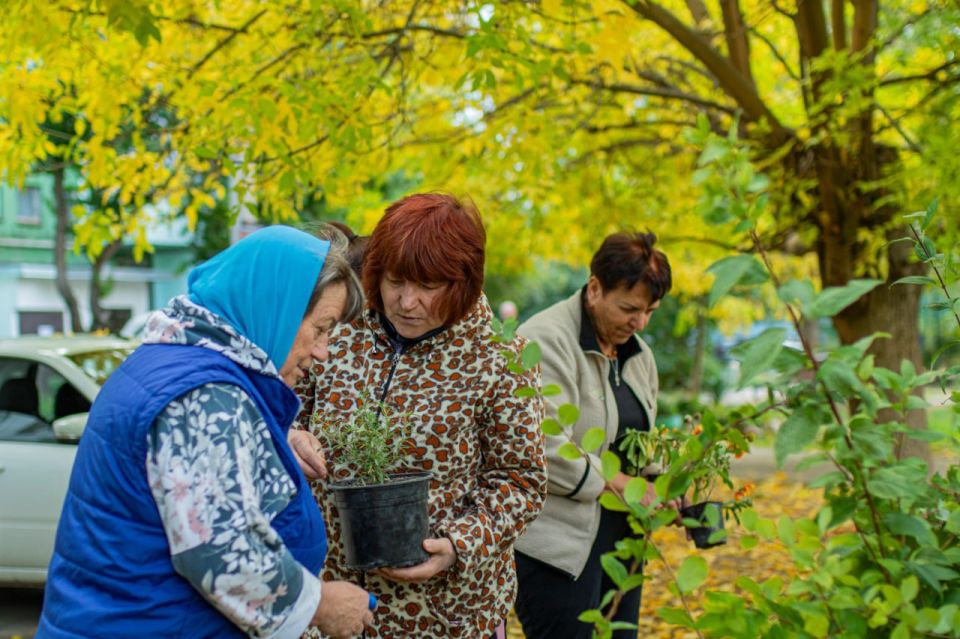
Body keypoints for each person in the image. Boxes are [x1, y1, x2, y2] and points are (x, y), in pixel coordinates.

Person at [37, 226, 375, 639]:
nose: (322, 351)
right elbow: (222, 552)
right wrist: (321, 605)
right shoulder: (205, 396)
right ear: (277, 309)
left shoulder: (174, 364)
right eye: (321, 329)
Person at [293, 193, 547, 638]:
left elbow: (520, 482)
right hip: (334, 600)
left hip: (445, 615)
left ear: (462, 284)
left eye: (428, 287)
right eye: (394, 281)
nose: (406, 302)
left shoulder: (503, 357)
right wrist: (292, 435)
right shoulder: (342, 328)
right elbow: (287, 407)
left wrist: (456, 545)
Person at [512, 231, 676, 639]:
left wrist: (668, 487)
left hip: (622, 548)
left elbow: (642, 437)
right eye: (629, 309)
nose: (640, 323)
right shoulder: (545, 340)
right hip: (557, 553)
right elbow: (546, 447)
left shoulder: (638, 354)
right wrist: (624, 485)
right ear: (595, 288)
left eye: (650, 311)